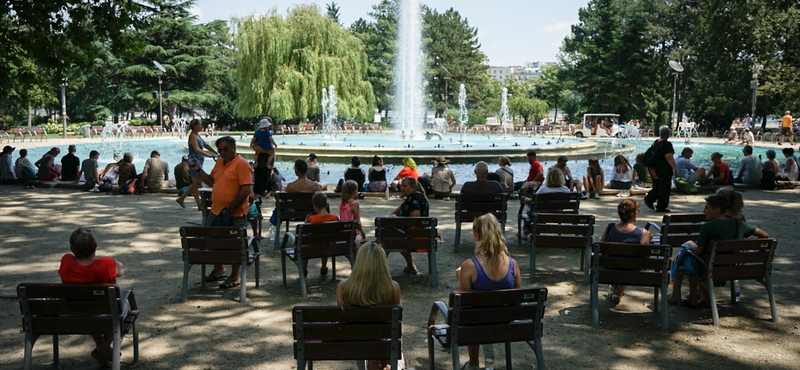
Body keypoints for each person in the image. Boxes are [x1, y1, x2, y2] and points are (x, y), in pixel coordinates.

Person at [667, 195, 768, 308]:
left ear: (716, 210)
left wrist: (690, 243)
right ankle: (702, 297)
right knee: (693, 260)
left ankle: (677, 297)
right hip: (732, 268)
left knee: (682, 257)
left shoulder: (709, 226)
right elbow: (764, 235)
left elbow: (698, 251)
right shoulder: (737, 223)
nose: (703, 211)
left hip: (708, 269)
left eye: (706, 208)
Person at [454, 213, 521, 370]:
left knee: (471, 314)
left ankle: (474, 363)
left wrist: (461, 276)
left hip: (476, 325)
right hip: (504, 324)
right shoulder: (513, 264)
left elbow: (464, 306)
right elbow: (516, 298)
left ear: (477, 235)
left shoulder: (469, 266)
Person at [58, 227, 132, 368]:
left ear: (72, 249)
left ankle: (100, 344)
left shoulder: (66, 261)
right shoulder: (106, 263)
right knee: (117, 307)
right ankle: (102, 346)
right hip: (106, 314)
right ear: (96, 244)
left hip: (74, 313)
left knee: (89, 309)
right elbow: (120, 269)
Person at [191, 136, 253, 289]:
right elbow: (212, 181)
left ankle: (235, 276)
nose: (223, 153)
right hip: (216, 210)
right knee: (212, 240)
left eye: (226, 149)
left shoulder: (242, 164)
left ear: (234, 148)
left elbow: (246, 189)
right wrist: (198, 170)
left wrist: (231, 208)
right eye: (220, 150)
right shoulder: (219, 162)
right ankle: (219, 269)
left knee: (235, 244)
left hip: (235, 213)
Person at [337, 241, 402, 370]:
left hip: (354, 340)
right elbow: (397, 319)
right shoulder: (393, 287)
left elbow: (343, 318)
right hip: (382, 339)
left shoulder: (344, 287)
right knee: (394, 332)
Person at [600, 200, 653, 306]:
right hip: (632, 271)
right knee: (631, 263)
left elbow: (601, 248)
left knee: (616, 260)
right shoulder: (643, 232)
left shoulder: (610, 228)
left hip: (610, 268)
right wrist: (648, 237)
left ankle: (616, 290)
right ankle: (618, 292)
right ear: (635, 214)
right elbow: (645, 256)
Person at [389, 176, 429, 274]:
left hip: (415, 238)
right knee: (390, 235)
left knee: (387, 238)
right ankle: (410, 266)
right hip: (417, 235)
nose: (402, 188)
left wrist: (396, 220)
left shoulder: (414, 200)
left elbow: (415, 219)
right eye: (401, 186)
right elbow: (393, 214)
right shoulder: (412, 198)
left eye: (405, 186)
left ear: (413, 188)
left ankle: (377, 268)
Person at [177, 119, 219, 210]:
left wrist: (215, 152)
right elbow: (197, 149)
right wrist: (208, 155)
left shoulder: (197, 135)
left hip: (199, 160)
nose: (201, 126)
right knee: (196, 183)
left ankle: (181, 198)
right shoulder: (192, 136)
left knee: (198, 182)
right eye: (199, 125)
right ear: (195, 126)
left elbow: (205, 145)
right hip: (194, 161)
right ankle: (199, 205)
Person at [295, 192, 339, 276]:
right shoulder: (334, 218)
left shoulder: (311, 219)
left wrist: (305, 221)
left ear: (315, 206)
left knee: (304, 245)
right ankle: (323, 268)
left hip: (312, 248)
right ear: (327, 205)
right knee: (326, 240)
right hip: (328, 247)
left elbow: (304, 232)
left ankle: (304, 270)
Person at [643, 127, 679, 213]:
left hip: (653, 169)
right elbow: (669, 158)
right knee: (665, 187)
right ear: (668, 135)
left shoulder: (656, 143)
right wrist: (676, 169)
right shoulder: (667, 144)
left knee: (657, 186)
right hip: (663, 169)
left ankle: (650, 199)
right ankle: (660, 206)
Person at [251, 117, 278, 195]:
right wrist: (268, 151)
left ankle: (265, 190)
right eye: (270, 122)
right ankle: (260, 192)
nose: (271, 124)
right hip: (262, 160)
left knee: (267, 175)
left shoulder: (262, 133)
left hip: (265, 160)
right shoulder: (264, 133)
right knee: (262, 177)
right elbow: (256, 148)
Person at [339, 180, 366, 246]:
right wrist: (362, 232)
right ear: (355, 192)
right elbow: (358, 221)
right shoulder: (354, 204)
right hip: (353, 232)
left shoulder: (342, 203)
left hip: (344, 232)